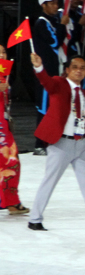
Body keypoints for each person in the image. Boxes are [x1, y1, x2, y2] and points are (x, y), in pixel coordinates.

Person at [27, 52, 85, 233]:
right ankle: (34, 218)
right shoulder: (59, 84)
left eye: (82, 68)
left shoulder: (83, 93)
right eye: (75, 67)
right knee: (50, 181)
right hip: (62, 143)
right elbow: (46, 81)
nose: (79, 71)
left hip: (81, 143)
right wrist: (39, 67)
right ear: (66, 70)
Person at [33, 0, 67, 155]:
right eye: (52, 3)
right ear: (43, 5)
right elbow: (54, 42)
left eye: (56, 2)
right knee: (43, 107)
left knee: (52, 106)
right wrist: (62, 25)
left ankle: (48, 140)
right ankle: (39, 144)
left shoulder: (51, 21)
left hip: (53, 71)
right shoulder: (41, 23)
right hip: (44, 72)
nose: (56, 6)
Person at [0, 45, 27, 215]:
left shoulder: (5, 75)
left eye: (3, 52)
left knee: (11, 161)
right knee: (10, 160)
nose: (2, 55)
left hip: (3, 124)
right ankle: (11, 201)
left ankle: (11, 200)